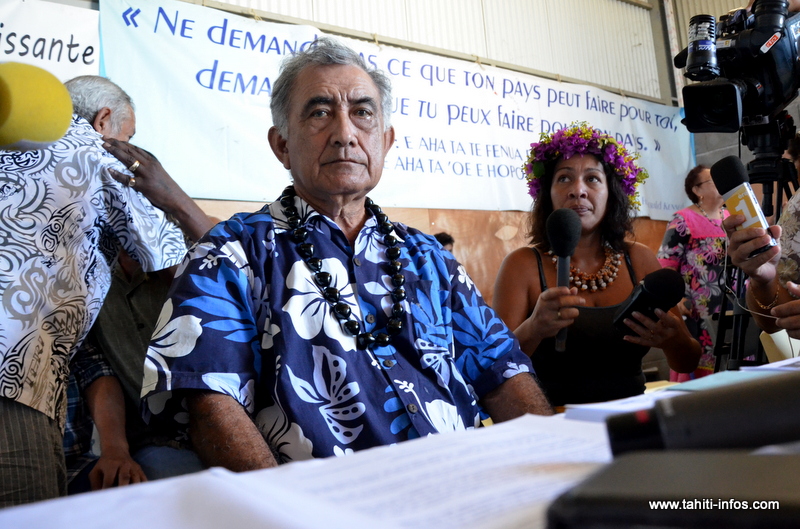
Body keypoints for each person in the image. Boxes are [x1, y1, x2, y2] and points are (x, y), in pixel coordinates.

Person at [140, 37, 552, 472]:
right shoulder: (228, 254)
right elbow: (211, 401)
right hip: (325, 503)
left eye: (362, 112)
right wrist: (290, 510)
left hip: (466, 480)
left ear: (386, 141)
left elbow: (503, 372)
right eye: (319, 112)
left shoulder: (429, 256)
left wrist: (559, 469)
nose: (344, 134)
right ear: (281, 144)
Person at [0, 75, 203, 507]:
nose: (132, 153)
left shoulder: (13, 154)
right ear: (103, 121)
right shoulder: (98, 153)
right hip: (11, 371)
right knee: (28, 511)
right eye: (129, 139)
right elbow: (191, 257)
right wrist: (165, 189)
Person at [492, 123, 701, 407]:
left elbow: (687, 360)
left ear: (611, 192)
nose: (578, 190)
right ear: (547, 194)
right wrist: (534, 328)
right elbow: (493, 367)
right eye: (564, 178)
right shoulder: (522, 265)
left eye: (592, 179)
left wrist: (673, 339)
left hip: (631, 423)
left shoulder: (638, 259)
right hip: (552, 427)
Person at [657, 165, 729, 380]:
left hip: (732, 306)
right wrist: (676, 299)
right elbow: (665, 263)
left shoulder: (732, 217)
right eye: (713, 181)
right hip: (698, 309)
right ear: (697, 190)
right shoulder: (683, 219)